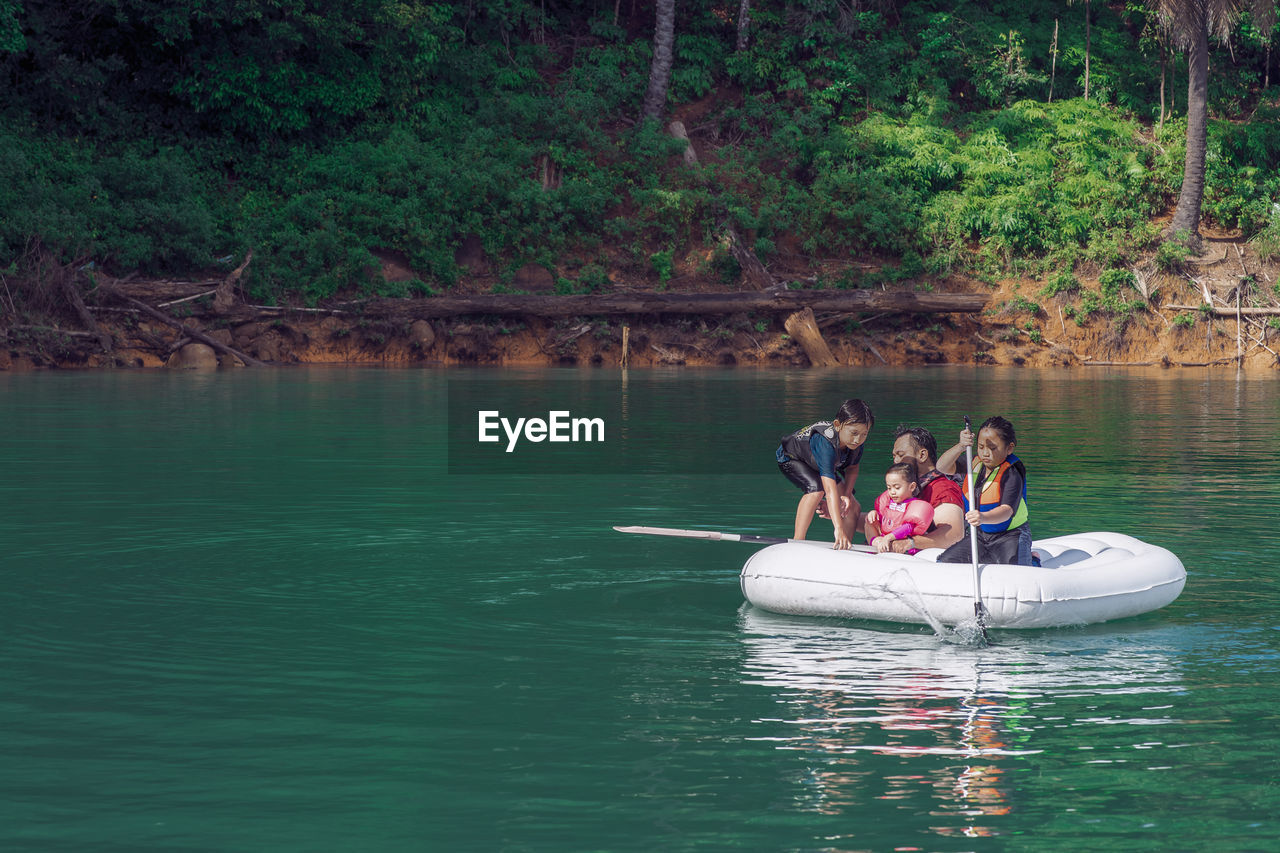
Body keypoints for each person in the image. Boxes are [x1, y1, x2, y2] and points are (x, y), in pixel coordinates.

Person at [776, 399, 874, 550]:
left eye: (864, 434)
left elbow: (852, 468)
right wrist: (838, 527)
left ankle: (844, 547)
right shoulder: (825, 442)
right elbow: (829, 491)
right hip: (792, 458)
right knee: (816, 490)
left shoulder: (856, 444)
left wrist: (846, 496)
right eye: (854, 433)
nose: (858, 440)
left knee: (853, 507)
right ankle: (797, 542)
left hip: (821, 465)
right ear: (837, 425)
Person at [935, 416, 1033, 566]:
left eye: (992, 448)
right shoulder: (973, 463)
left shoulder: (1013, 472)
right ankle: (989, 557)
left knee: (1015, 571)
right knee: (944, 562)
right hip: (980, 535)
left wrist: (983, 517)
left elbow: (1007, 511)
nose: (985, 453)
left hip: (1011, 535)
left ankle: (1034, 559)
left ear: (1009, 448)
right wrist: (961, 446)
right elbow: (941, 467)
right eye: (981, 447)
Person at [879, 425, 966, 554]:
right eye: (894, 456)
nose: (896, 461)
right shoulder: (907, 488)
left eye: (901, 455)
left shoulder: (942, 488)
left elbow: (954, 535)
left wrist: (910, 543)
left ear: (922, 455)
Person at [866, 460, 935, 554]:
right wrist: (873, 514)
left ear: (912, 487)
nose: (892, 492)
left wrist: (889, 537)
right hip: (883, 539)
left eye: (897, 487)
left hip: (902, 546)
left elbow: (908, 527)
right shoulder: (888, 502)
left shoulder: (913, 506)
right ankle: (874, 542)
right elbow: (883, 518)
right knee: (869, 521)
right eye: (889, 488)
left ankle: (880, 544)